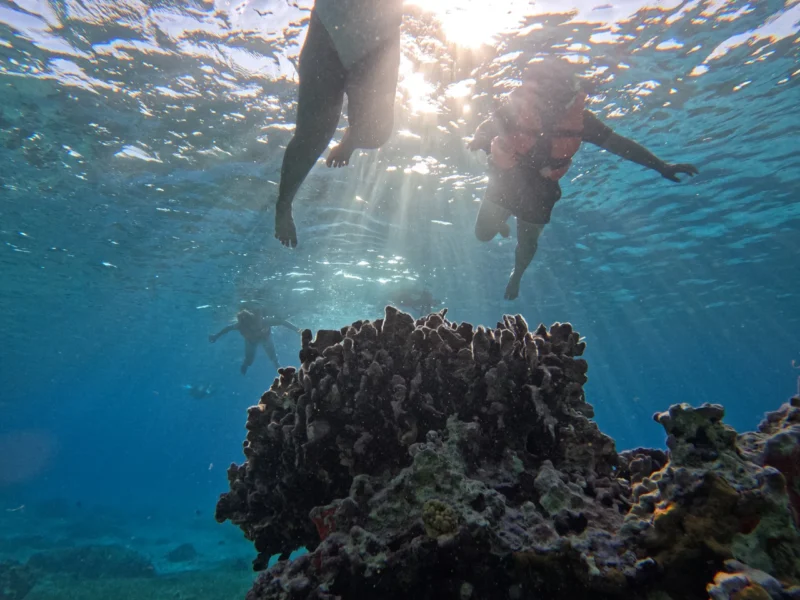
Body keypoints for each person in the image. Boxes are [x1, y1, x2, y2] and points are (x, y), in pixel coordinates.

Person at [468, 58, 699, 300]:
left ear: (572, 92)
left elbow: (619, 145)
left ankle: (517, 274)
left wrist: (661, 166)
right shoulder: (514, 111)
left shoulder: (582, 121)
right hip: (508, 181)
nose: (554, 102)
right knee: (482, 235)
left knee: (527, 245)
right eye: (548, 91)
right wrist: (480, 140)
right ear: (535, 89)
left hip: (541, 193)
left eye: (562, 93)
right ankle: (501, 220)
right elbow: (485, 128)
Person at [274, 0, 404, 248]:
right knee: (313, 136)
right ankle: (284, 204)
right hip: (330, 23)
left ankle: (351, 140)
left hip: (378, 36)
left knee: (378, 131)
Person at [209, 308, 301, 375]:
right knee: (249, 360)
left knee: (273, 357)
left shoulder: (263, 321)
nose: (250, 326)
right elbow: (227, 328)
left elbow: (282, 322)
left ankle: (280, 370)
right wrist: (216, 336)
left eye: (250, 324)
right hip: (251, 341)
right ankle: (245, 365)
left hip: (265, 338)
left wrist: (297, 330)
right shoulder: (240, 325)